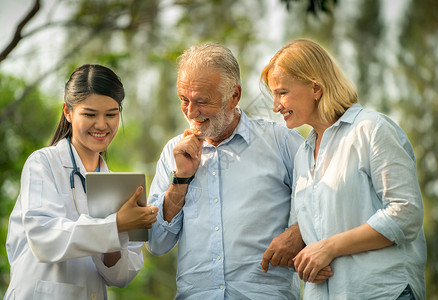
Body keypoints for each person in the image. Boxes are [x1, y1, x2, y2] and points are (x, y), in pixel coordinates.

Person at [146, 43, 332, 299]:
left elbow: (328, 198)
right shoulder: (172, 152)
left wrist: (299, 232)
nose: (190, 112)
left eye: (202, 101)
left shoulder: (280, 141)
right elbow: (156, 243)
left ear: (234, 95)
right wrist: (180, 180)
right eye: (183, 99)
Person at [261, 39, 426, 299]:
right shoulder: (302, 155)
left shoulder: (371, 129)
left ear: (315, 88)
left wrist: (329, 248)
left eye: (282, 92)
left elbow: (406, 214)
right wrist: (307, 263)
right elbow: (310, 236)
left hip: (382, 293)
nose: (276, 105)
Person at [4, 64, 158, 300]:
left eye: (111, 114)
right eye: (89, 114)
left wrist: (119, 233)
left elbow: (122, 277)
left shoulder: (122, 187)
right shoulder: (43, 163)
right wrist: (114, 225)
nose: (101, 124)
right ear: (68, 112)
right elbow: (44, 238)